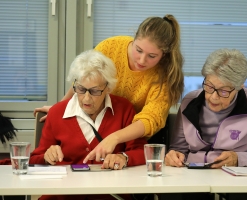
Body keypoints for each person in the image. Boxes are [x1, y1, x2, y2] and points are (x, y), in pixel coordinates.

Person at [33, 14, 184, 162]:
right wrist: (61, 108)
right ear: (135, 38)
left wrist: (115, 137)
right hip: (104, 118)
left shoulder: (165, 74)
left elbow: (151, 119)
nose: (142, 60)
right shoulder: (110, 47)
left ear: (164, 55)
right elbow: (85, 75)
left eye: (152, 56)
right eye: (138, 50)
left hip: (132, 132)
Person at [164, 48, 247, 200]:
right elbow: (179, 149)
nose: (213, 97)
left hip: (237, 180)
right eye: (209, 86)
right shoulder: (189, 102)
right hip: (195, 177)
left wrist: (239, 159)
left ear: (239, 87)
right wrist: (173, 156)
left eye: (223, 91)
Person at [30, 49, 147, 200]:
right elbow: (34, 160)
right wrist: (47, 157)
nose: (86, 98)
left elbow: (142, 152)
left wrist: (123, 157)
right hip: (63, 196)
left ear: (108, 88)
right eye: (81, 89)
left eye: (94, 91)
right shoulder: (57, 112)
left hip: (109, 195)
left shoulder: (124, 109)